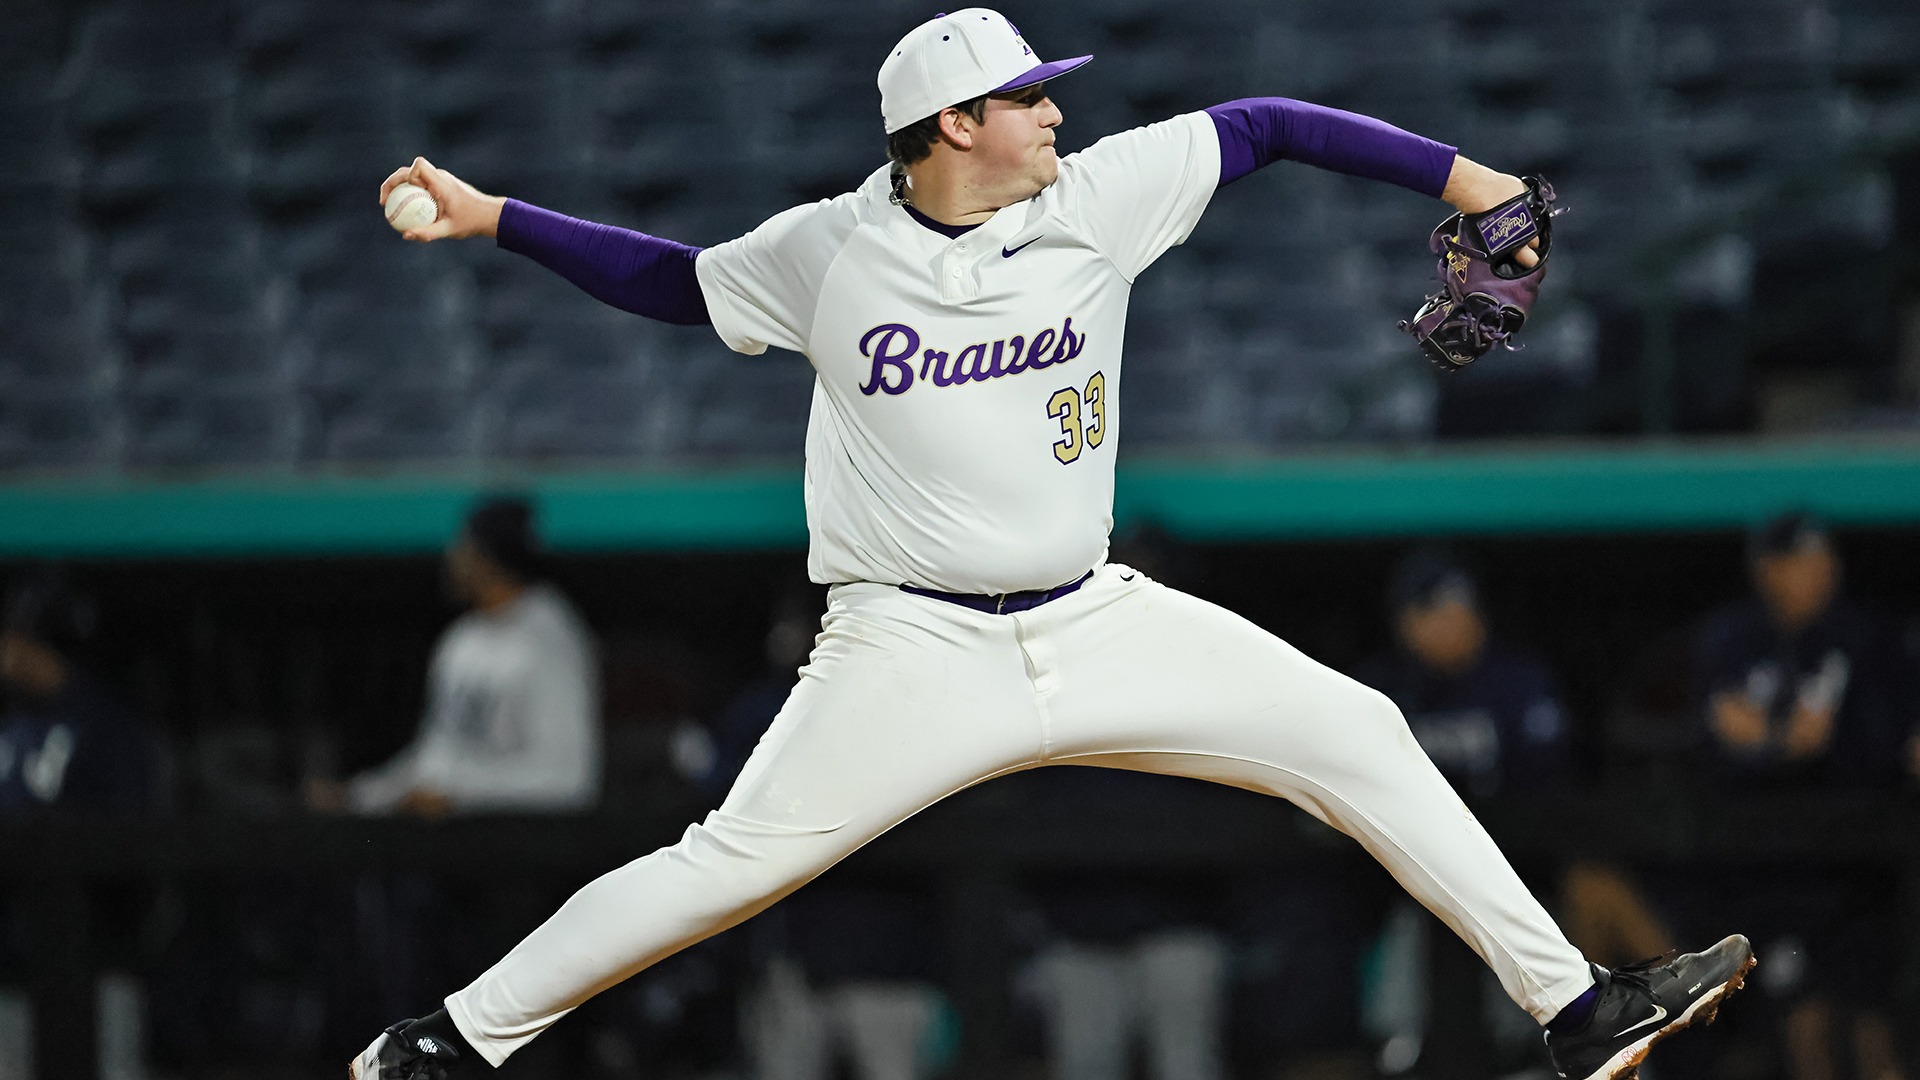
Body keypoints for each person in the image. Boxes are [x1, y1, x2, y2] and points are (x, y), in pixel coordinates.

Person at [349, 13, 1751, 1080]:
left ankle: (1575, 1010)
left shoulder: (1095, 197)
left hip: (1098, 618)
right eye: (1027, 93)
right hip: (909, 643)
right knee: (726, 867)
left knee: (1363, 733)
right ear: (953, 124)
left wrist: (1473, 180)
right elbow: (673, 281)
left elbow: (1265, 124)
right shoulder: (827, 252)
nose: (1054, 107)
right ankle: (450, 1044)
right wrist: (495, 219)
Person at [1351, 550, 1676, 1074]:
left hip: (1522, 877)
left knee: (1588, 895)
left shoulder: (1514, 678)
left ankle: (1663, 1033)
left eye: (1462, 608)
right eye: (1437, 612)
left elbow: (1549, 790)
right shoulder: (1380, 689)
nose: (1457, 623)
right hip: (1411, 890)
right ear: (1407, 623)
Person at [1689, 513, 1907, 1080]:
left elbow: (1886, 753)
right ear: (1767, 570)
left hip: (1862, 866)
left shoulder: (1866, 637)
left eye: (1823, 561)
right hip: (1773, 868)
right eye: (1800, 563)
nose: (1820, 574)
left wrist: (1775, 740)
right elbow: (1727, 743)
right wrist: (1788, 742)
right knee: (1802, 1025)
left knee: (1871, 1029)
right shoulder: (1734, 638)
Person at [307, 497, 602, 816]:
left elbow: (569, 781)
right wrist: (360, 797)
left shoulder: (550, 641)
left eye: (464, 545)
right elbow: (438, 760)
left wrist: (461, 794)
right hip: (456, 842)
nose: (453, 557)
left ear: (489, 558)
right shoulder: (462, 640)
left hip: (522, 846)